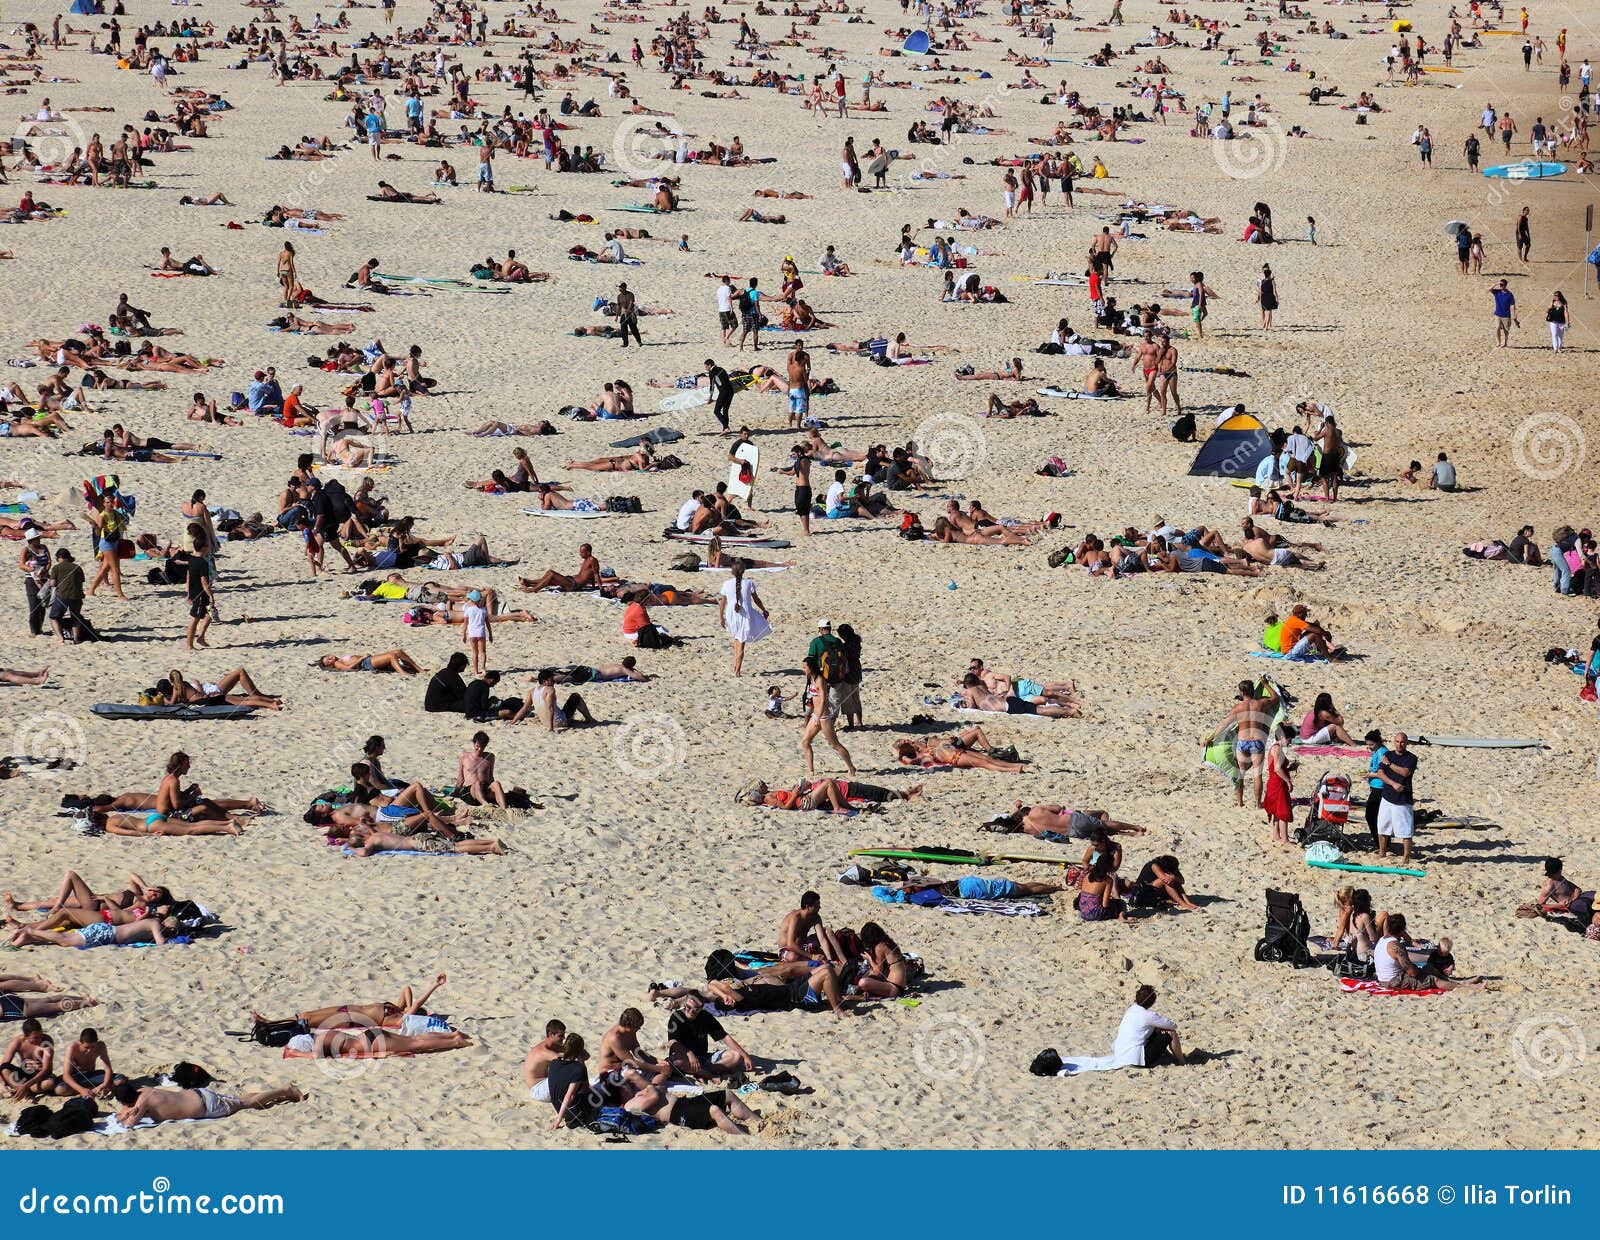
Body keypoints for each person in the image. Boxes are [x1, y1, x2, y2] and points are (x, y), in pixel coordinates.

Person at [113, 1080, 305, 1125]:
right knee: (238, 1099)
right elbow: (126, 1106)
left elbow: (128, 1124)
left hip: (208, 1107)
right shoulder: (144, 1090)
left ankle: (285, 1090)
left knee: (249, 1104)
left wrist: (127, 1116)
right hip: (199, 1094)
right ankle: (280, 1094)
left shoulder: (143, 1102)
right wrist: (126, 1110)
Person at [667, 993, 754, 1080]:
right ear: (684, 1004)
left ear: (701, 1008)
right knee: (677, 1062)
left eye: (696, 1009)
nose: (691, 1011)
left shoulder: (705, 1016)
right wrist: (689, 1054)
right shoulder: (676, 1017)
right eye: (688, 1007)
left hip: (703, 1058)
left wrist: (745, 1055)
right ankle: (707, 1074)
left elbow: (724, 1037)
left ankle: (702, 1072)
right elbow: (672, 1042)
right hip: (684, 1057)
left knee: (736, 1056)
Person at [717, 559, 771, 676]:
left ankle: (735, 666)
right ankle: (737, 671)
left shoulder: (726, 584)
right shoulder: (749, 583)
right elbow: (756, 600)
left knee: (737, 639)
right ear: (743, 571)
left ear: (732, 571)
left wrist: (721, 617)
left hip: (731, 613)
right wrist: (763, 609)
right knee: (741, 641)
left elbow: (722, 603)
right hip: (745, 613)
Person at [1111, 984, 1185, 1066]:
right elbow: (1173, 1026)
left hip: (1119, 1055)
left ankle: (1165, 1054)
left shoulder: (1131, 1010)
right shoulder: (1149, 1015)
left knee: (1152, 1029)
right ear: (1152, 1002)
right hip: (1136, 1059)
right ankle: (1182, 1062)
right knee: (1170, 1032)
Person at [1374, 731, 1418, 864]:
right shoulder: (1388, 754)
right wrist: (1393, 783)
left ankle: (1406, 857)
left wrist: (1389, 764)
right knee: (1382, 827)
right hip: (1387, 797)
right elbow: (1380, 773)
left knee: (1405, 830)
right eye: (1397, 742)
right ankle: (1382, 852)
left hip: (1402, 800)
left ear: (1407, 743)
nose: (1400, 744)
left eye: (1402, 742)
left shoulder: (1411, 758)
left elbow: (1405, 772)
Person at [1490, 278, 1518, 347]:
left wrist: (1514, 314)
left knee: (1506, 331)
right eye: (1500, 285)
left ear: (1505, 285)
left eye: (1502, 285)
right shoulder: (1497, 292)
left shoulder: (1509, 295)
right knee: (1497, 328)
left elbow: (1513, 305)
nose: (1501, 286)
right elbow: (1489, 289)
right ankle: (1498, 342)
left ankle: (1505, 342)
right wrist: (1496, 283)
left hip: (1506, 315)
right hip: (1498, 314)